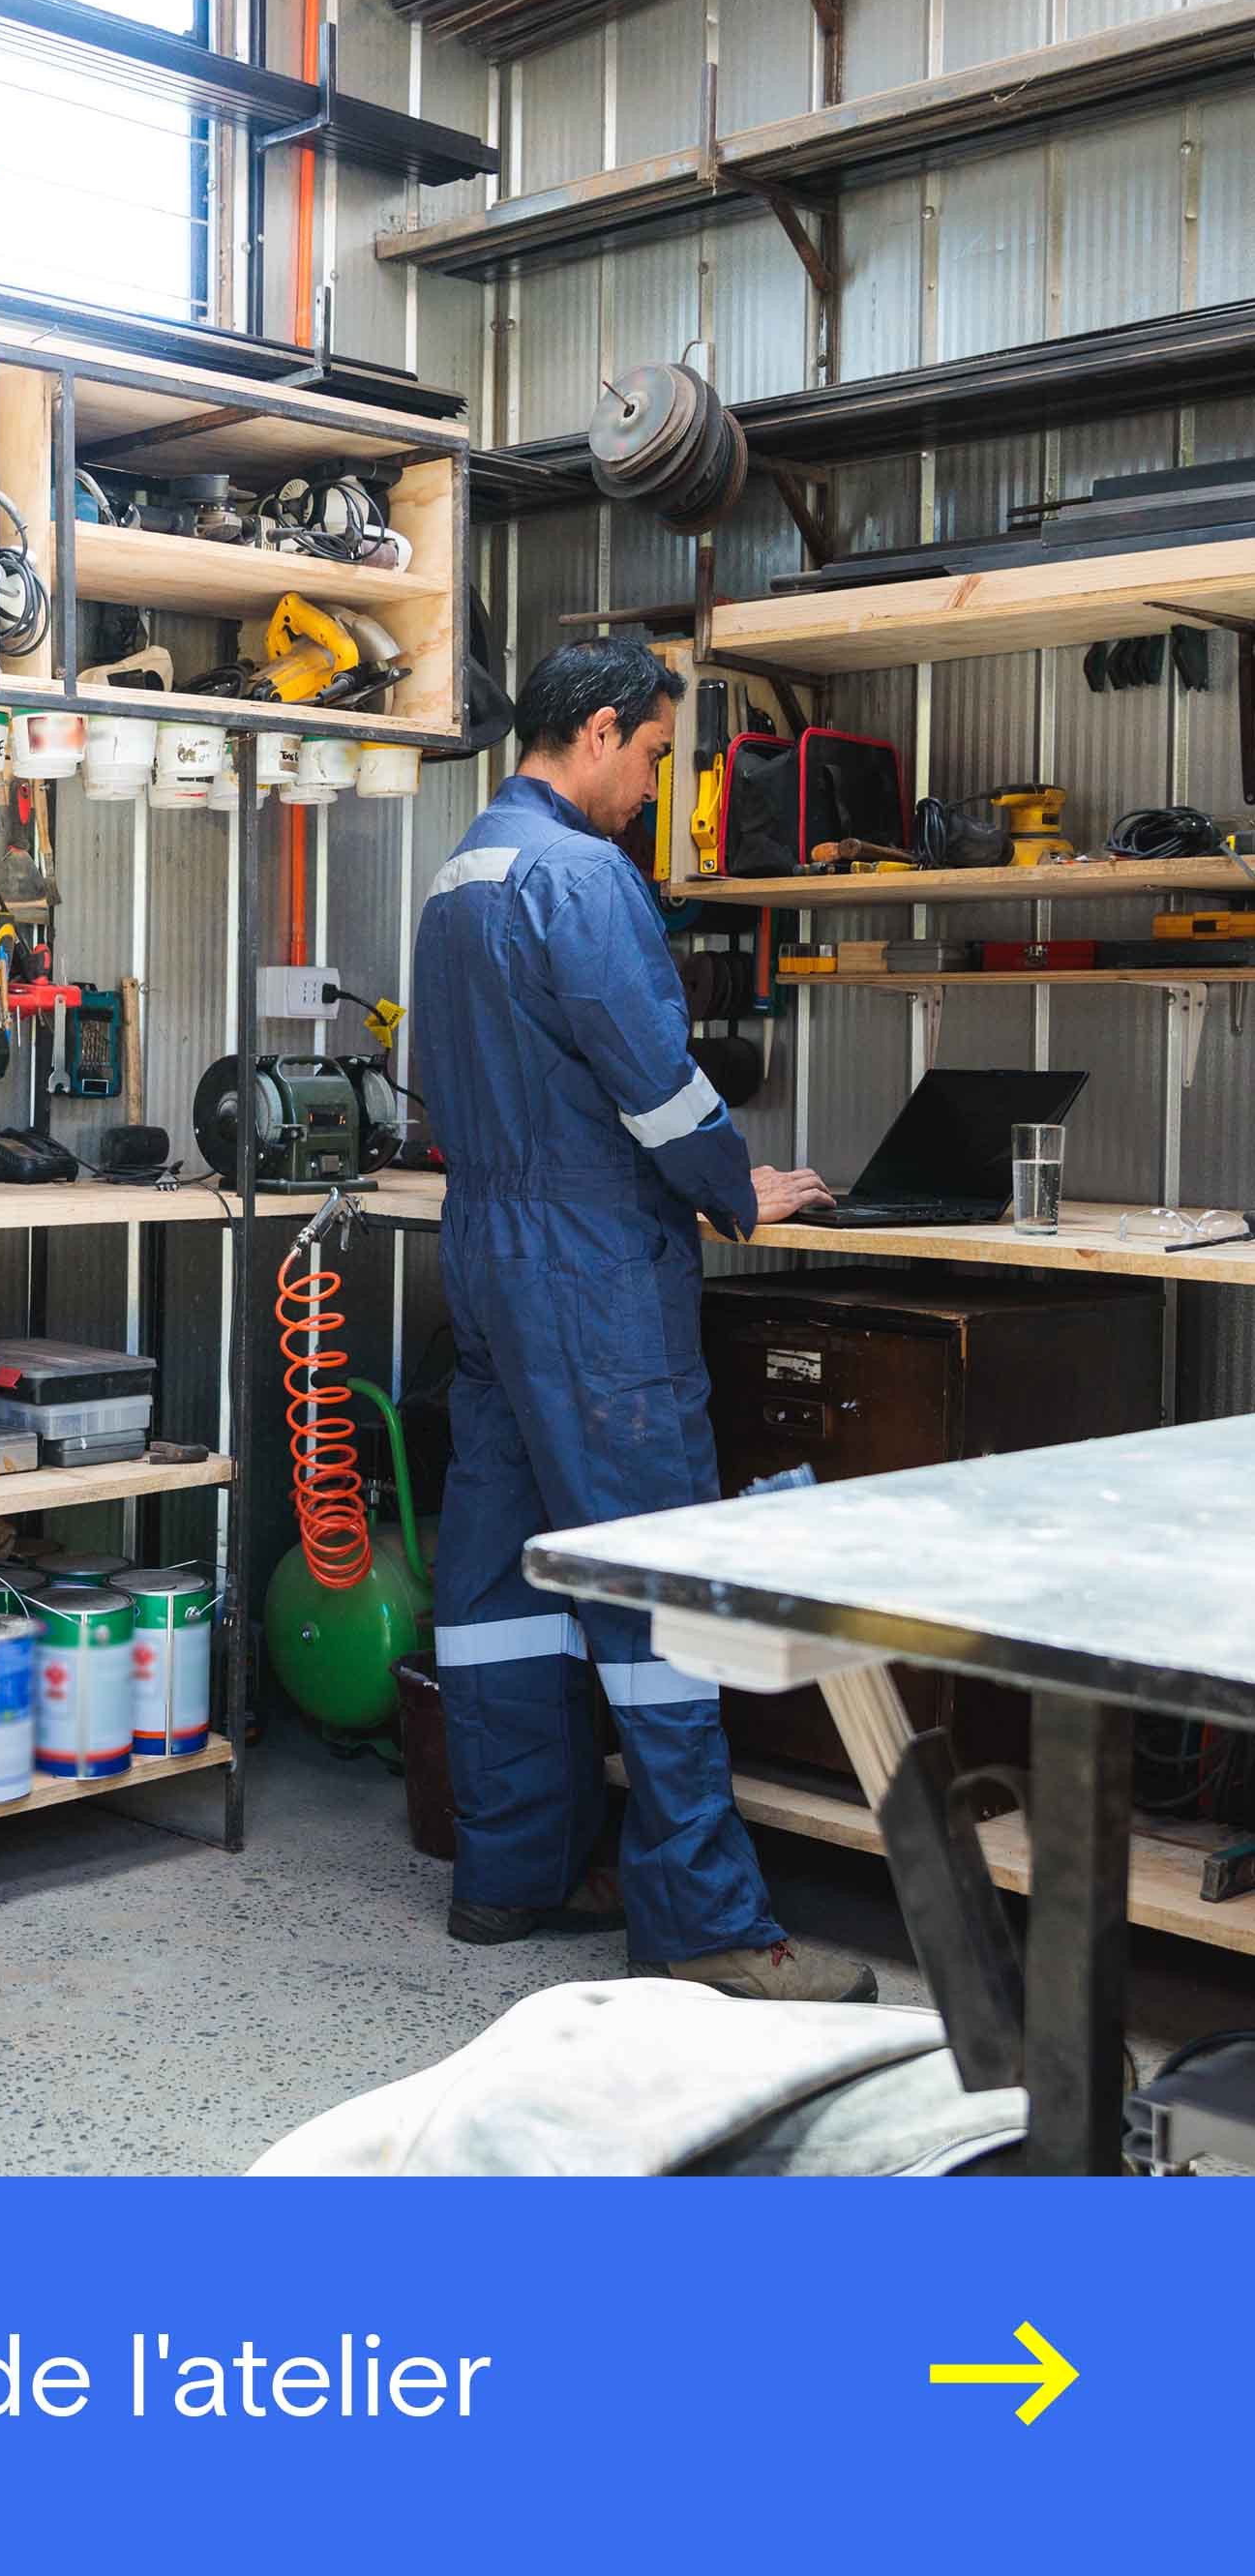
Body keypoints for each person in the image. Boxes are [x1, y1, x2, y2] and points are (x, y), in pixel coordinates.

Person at [411, 637, 874, 2002]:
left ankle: (512, 1871)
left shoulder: (464, 869)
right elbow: (659, 1086)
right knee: (655, 1577)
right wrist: (739, 1189)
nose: (657, 788)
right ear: (603, 731)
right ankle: (706, 1922)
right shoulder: (580, 874)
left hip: (485, 1256)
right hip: (591, 1273)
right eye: (660, 756)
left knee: (499, 1581)